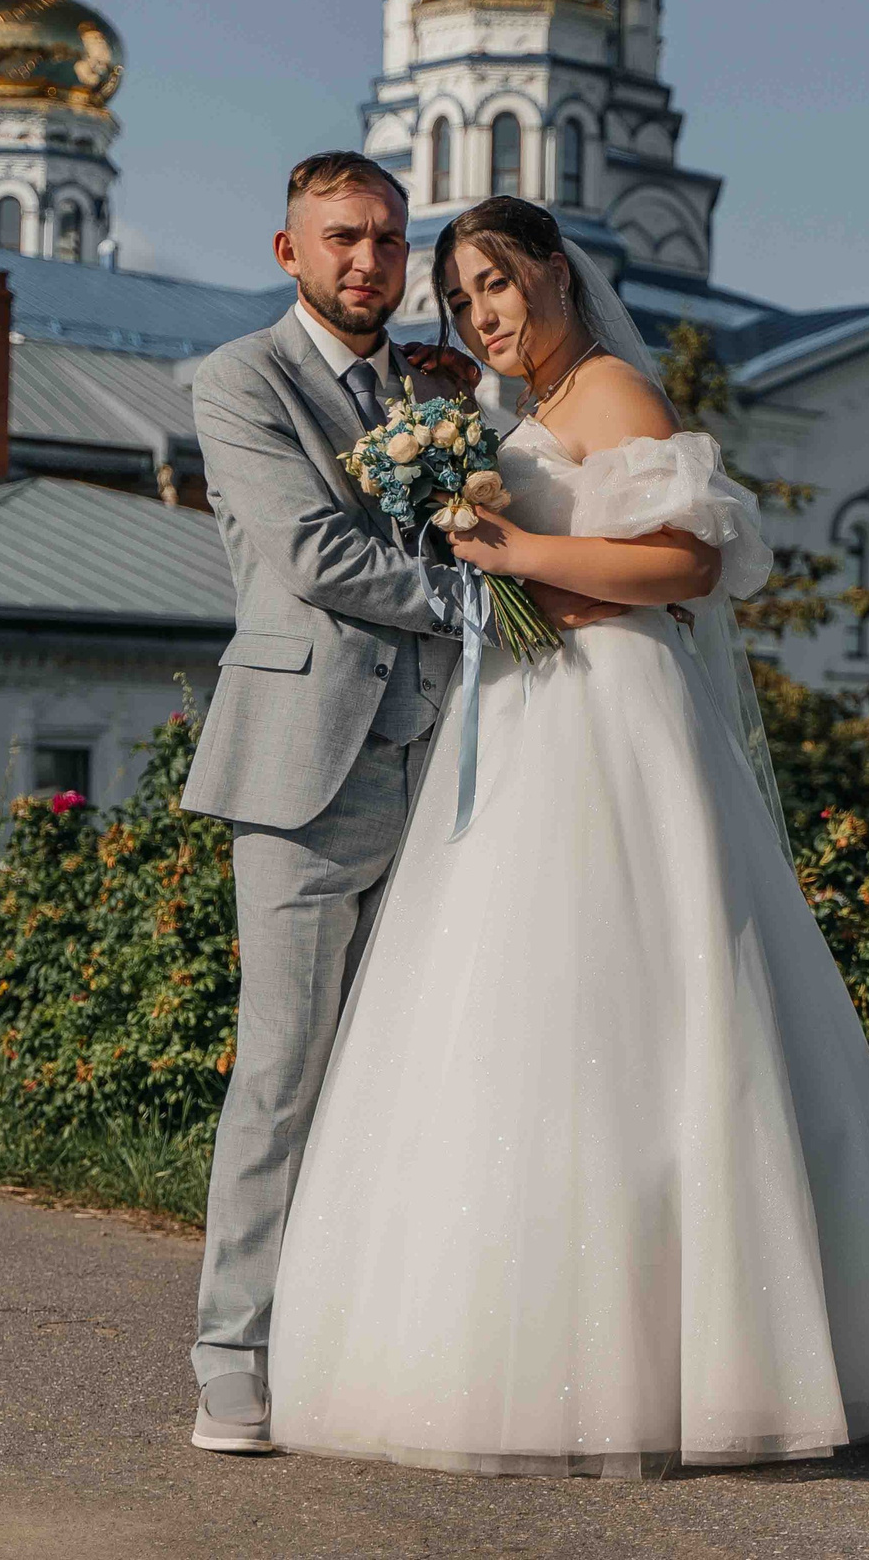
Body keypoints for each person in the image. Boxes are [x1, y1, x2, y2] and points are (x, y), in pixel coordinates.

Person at [262, 195, 869, 1477]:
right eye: (460, 297)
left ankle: (712, 1358)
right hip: (525, 712)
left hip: (618, 710)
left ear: (552, 271)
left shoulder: (621, 396)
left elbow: (688, 568)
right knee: (512, 1011)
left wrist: (518, 547)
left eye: (494, 283)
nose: (480, 313)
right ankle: (493, 1354)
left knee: (654, 997)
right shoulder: (511, 418)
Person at [179, 155, 622, 1454]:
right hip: (304, 773)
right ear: (288, 249)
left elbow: (476, 505)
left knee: (406, 1076)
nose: (366, 261)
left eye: (384, 240)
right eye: (341, 240)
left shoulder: (433, 385)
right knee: (284, 1070)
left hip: (445, 768)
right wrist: (489, 607)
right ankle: (234, 1356)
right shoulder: (241, 380)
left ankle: (359, 1338)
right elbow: (313, 556)